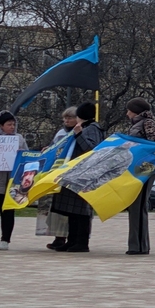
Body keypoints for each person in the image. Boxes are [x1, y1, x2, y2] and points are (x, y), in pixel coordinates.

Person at [50, 102, 105, 253]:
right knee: (72, 211)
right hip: (74, 173)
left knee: (81, 211)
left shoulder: (92, 128)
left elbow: (93, 150)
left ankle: (82, 242)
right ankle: (71, 240)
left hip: (84, 175)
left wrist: (79, 134)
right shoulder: (84, 128)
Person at [125, 97, 155, 255]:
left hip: (144, 168)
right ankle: (136, 244)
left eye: (129, 109)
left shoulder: (147, 123)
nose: (127, 113)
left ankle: (139, 245)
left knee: (139, 205)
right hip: (137, 167)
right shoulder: (138, 124)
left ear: (136, 111)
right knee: (135, 205)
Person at [0, 111, 28, 251]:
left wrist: (20, 154)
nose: (12, 127)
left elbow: (26, 156)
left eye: (13, 124)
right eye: (8, 124)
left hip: (12, 183)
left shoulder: (19, 139)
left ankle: (5, 240)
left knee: (8, 212)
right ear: (0, 126)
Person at [44, 107, 77, 249]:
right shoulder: (61, 133)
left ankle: (70, 237)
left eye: (70, 118)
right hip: (57, 173)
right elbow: (54, 147)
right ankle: (58, 236)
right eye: (65, 118)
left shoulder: (78, 133)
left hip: (71, 173)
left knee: (69, 208)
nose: (67, 120)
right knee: (57, 208)